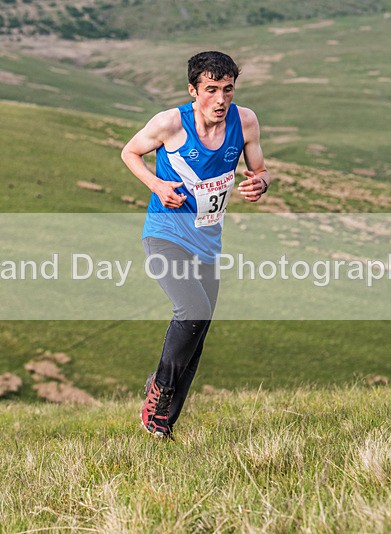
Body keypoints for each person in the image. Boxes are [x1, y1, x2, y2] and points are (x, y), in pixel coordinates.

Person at [121, 50, 270, 439]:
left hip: (208, 244)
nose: (220, 100)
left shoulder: (246, 121)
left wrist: (260, 182)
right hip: (165, 234)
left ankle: (161, 426)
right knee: (192, 310)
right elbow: (129, 152)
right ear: (193, 90)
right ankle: (160, 391)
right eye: (211, 90)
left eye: (228, 90)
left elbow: (260, 169)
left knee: (197, 335)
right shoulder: (171, 124)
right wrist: (156, 185)